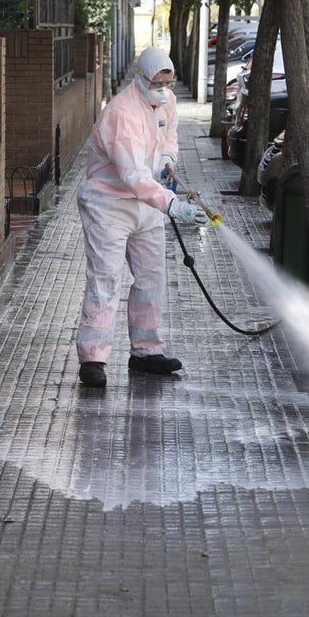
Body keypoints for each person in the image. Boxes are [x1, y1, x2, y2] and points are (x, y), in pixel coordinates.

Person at [75, 47, 209, 387]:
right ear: (141, 79)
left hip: (146, 203)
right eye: (157, 84)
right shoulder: (122, 113)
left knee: (152, 277)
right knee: (106, 279)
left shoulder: (166, 101)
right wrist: (172, 204)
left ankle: (146, 352)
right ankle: (93, 359)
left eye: (168, 84)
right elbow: (132, 174)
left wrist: (167, 158)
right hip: (108, 203)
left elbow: (169, 134)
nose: (163, 90)